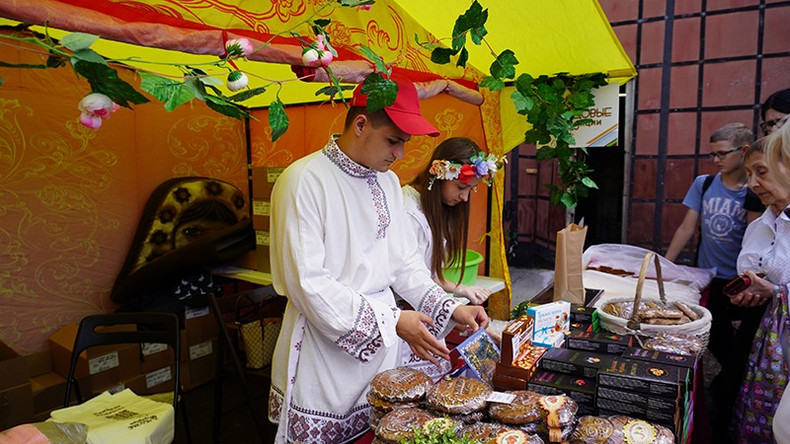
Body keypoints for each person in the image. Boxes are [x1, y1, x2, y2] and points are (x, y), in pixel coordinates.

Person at [266, 74, 489, 443]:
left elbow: (404, 264)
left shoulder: (386, 183)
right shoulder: (303, 180)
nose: (400, 154)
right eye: (394, 141)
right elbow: (307, 284)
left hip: (380, 353)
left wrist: (450, 309)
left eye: (403, 143)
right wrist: (392, 320)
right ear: (360, 124)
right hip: (324, 357)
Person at [664, 122, 758, 439]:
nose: (716, 159)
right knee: (714, 336)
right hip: (709, 276)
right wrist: (667, 265)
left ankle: (733, 390)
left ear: (743, 151)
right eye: (713, 153)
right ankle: (731, 384)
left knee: (746, 341)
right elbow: (686, 229)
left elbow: (755, 240)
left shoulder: (755, 189)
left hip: (744, 281)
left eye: (722, 153)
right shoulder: (704, 184)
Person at [398, 137, 504, 380]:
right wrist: (452, 308)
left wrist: (460, 291)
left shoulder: (434, 208)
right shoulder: (407, 209)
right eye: (461, 188)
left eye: (470, 190)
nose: (465, 198)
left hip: (422, 311)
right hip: (406, 319)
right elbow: (408, 278)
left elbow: (428, 275)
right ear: (440, 174)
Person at [729, 119, 790, 443]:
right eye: (749, 174)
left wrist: (779, 293)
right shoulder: (758, 227)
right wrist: (749, 291)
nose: (753, 183)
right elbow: (752, 274)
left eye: (762, 172)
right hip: (759, 338)